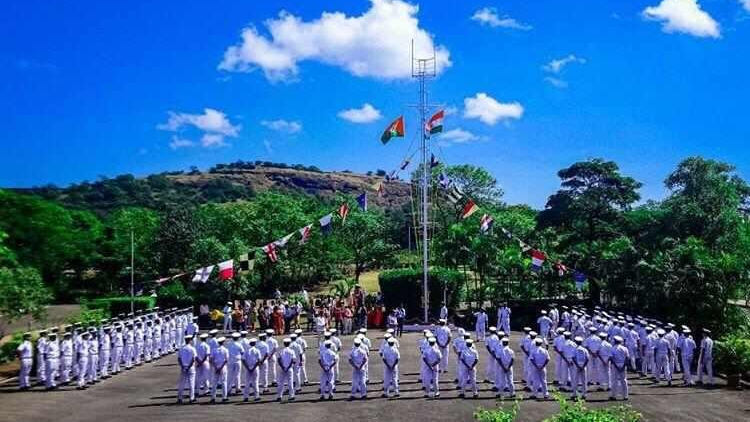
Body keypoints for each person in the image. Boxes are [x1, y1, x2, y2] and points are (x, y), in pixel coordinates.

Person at [177, 335, 197, 404]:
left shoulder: (181, 348)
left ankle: (179, 398)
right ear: (190, 340)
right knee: (191, 383)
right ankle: (191, 398)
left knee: (182, 384)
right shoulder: (192, 349)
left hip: (183, 367)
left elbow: (179, 359)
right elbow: (193, 359)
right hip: (190, 367)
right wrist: (188, 367)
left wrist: (183, 367)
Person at [242, 337, 262, 402]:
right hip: (255, 368)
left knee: (247, 382)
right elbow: (258, 361)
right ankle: (256, 396)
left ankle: (246, 397)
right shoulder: (257, 350)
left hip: (248, 367)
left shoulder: (246, 351)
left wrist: (248, 368)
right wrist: (254, 368)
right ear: (255, 343)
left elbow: (243, 360)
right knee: (255, 382)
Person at [210, 337, 229, 403]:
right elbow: (226, 360)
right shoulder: (225, 350)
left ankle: (213, 398)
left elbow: (211, 360)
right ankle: (224, 397)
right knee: (224, 382)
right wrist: (220, 367)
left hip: (215, 367)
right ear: (223, 342)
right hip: (223, 367)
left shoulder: (214, 350)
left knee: (214, 383)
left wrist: (216, 367)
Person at [610, 336, 629, 401]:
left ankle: (613, 396)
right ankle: (625, 396)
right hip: (623, 364)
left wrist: (616, 366)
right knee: (624, 380)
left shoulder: (612, 349)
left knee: (614, 381)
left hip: (615, 365)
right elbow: (627, 358)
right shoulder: (625, 348)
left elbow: (611, 359)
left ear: (615, 341)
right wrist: (623, 366)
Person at [571, 336, 589, 400]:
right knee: (584, 380)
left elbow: (573, 358)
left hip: (577, 365)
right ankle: (584, 394)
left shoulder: (574, 349)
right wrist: (583, 366)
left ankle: (574, 394)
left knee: (575, 380)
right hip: (583, 366)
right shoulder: (585, 350)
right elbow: (587, 359)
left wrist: (577, 366)